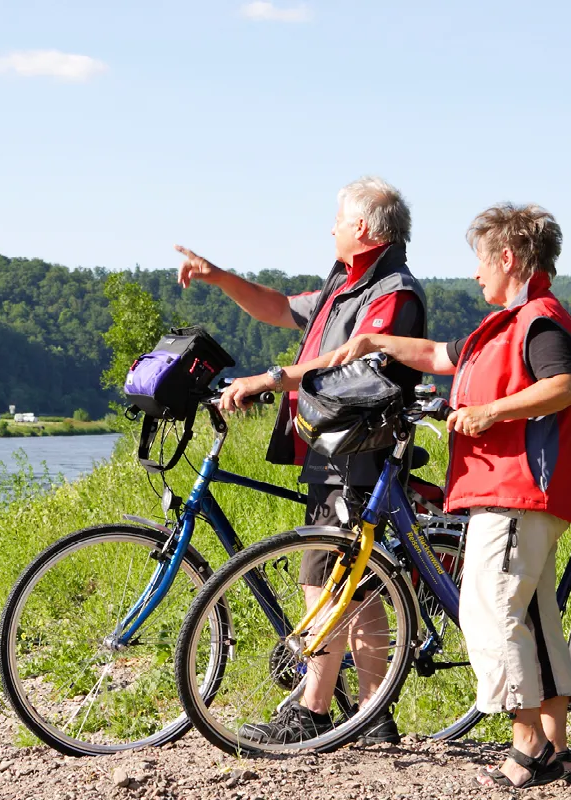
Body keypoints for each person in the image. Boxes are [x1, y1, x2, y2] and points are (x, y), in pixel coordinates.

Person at [329, 202, 571, 788]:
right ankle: (554, 743)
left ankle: (527, 747)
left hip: (517, 490)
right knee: (532, 614)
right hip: (515, 492)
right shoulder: (505, 322)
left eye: (481, 260)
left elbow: (566, 384)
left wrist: (489, 412)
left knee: (488, 610)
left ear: (508, 258)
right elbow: (439, 357)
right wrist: (376, 339)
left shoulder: (539, 319)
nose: (476, 273)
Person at [178, 176, 428, 746]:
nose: (331, 228)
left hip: (359, 447)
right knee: (352, 581)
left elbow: (362, 373)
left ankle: (316, 711)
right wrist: (216, 275)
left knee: (329, 574)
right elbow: (275, 308)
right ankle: (372, 715)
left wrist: (272, 378)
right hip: (332, 447)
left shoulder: (392, 294)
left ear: (362, 228)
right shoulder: (348, 284)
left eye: (338, 219)